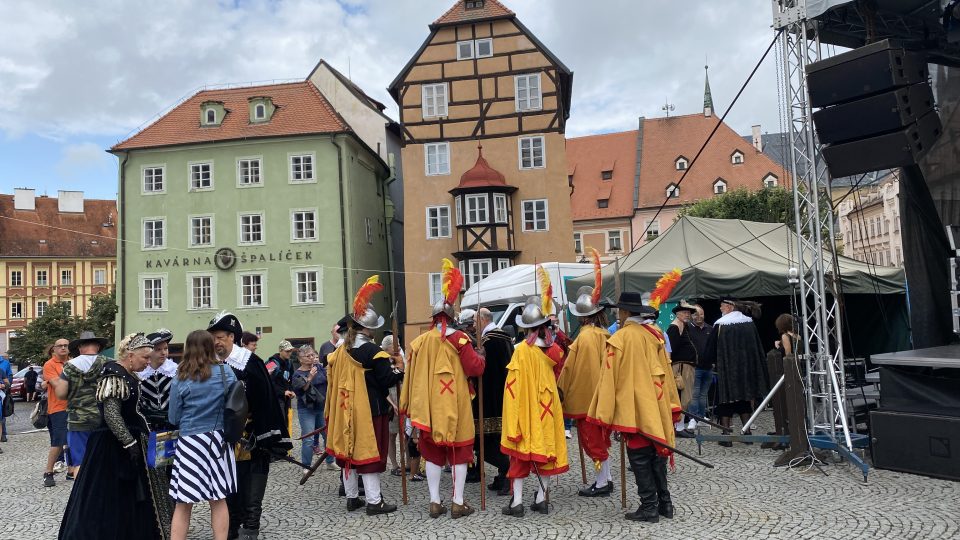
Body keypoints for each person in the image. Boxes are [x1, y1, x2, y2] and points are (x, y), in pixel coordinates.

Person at [58, 333, 172, 540]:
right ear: (130, 355)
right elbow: (111, 414)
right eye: (144, 358)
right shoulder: (114, 375)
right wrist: (128, 442)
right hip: (113, 445)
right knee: (110, 495)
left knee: (130, 495)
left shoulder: (127, 374)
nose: (148, 362)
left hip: (129, 440)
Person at [587, 292, 681, 523]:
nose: (618, 314)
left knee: (639, 455)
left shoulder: (621, 338)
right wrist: (670, 402)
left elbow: (609, 378)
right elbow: (666, 371)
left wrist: (604, 412)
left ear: (625, 312)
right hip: (655, 403)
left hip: (634, 408)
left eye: (620, 310)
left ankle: (649, 508)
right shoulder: (655, 335)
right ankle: (665, 504)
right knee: (656, 452)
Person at [401, 267, 485, 519]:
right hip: (456, 405)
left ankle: (435, 502)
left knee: (434, 454)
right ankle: (458, 502)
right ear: (452, 316)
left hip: (429, 407)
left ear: (434, 318)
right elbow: (475, 368)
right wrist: (481, 355)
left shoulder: (420, 342)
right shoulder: (460, 339)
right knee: (459, 451)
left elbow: (411, 375)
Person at [208, 311, 291, 540]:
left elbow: (266, 401)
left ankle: (251, 526)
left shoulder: (250, 363)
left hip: (250, 438)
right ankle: (231, 527)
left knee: (251, 484)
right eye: (213, 337)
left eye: (220, 337)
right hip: (221, 438)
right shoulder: (211, 364)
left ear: (232, 337)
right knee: (226, 488)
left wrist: (266, 436)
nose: (216, 342)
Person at [325, 276, 403, 516]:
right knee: (370, 455)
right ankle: (373, 501)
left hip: (344, 408)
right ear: (369, 328)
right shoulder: (372, 350)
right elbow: (386, 380)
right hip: (370, 409)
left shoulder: (341, 350)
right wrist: (399, 369)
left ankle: (352, 498)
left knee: (348, 452)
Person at [500, 289, 568, 517]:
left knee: (521, 455)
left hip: (528, 410)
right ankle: (541, 498)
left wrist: (512, 419)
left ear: (527, 327)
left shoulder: (522, 352)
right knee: (546, 451)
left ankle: (517, 503)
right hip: (547, 409)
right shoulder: (554, 350)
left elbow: (513, 387)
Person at [168, 330, 238, 540]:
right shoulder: (226, 372)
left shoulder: (180, 377)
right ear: (211, 346)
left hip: (190, 442)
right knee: (218, 498)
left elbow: (173, 417)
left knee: (183, 502)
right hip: (218, 440)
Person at [558, 284, 613, 498]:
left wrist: (561, 389)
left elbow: (571, 367)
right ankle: (605, 478)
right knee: (600, 439)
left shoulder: (586, 337)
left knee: (593, 443)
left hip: (587, 398)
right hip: (602, 397)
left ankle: (602, 483)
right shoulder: (604, 334)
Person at [704, 298, 769, 446]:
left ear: (729, 307)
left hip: (727, 369)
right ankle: (747, 432)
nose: (720, 309)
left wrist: (709, 361)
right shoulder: (748, 323)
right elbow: (755, 347)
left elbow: (710, 348)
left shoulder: (721, 325)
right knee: (744, 399)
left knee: (726, 399)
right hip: (745, 370)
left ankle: (726, 434)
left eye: (722, 307)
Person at [49, 331, 110, 478]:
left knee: (79, 463)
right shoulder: (110, 363)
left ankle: (81, 498)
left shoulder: (70, 365)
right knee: (105, 462)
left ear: (81, 347)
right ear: (97, 346)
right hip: (104, 420)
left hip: (78, 421)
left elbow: (61, 394)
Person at [474, 307, 513, 496]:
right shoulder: (505, 337)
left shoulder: (489, 341)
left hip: (490, 397)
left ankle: (507, 469)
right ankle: (502, 475)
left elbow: (481, 371)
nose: (473, 326)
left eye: (475, 322)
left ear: (483, 320)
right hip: (505, 395)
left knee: (486, 441)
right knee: (499, 438)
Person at [291, 345, 335, 473]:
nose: (311, 358)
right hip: (307, 410)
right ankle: (306, 466)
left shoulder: (319, 368)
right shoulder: (297, 374)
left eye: (312, 355)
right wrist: (309, 378)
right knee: (308, 438)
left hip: (322, 407)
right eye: (308, 356)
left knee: (328, 435)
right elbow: (302, 390)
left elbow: (327, 380)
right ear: (300, 359)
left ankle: (330, 462)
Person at [41, 338, 71, 487]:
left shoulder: (72, 362)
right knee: (58, 441)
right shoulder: (49, 365)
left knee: (74, 439)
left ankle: (72, 470)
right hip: (58, 407)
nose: (63, 348)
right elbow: (57, 384)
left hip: (75, 406)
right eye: (60, 346)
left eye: (66, 346)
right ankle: (48, 472)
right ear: (54, 349)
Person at [666, 301, 698, 436]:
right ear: (678, 314)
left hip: (685, 366)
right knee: (682, 397)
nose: (688, 315)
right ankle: (678, 428)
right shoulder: (674, 327)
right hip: (680, 367)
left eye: (689, 313)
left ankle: (679, 427)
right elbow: (670, 349)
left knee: (685, 397)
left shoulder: (683, 326)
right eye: (685, 313)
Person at [139, 329, 178, 431]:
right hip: (148, 425)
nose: (163, 352)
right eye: (158, 349)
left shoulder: (175, 370)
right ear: (149, 352)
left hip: (172, 424)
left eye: (165, 348)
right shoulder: (141, 373)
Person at [381, 335, 405, 477]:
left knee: (406, 434)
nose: (399, 347)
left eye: (399, 344)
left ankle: (408, 463)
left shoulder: (401, 358)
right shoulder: (382, 360)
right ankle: (394, 465)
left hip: (402, 396)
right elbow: (385, 381)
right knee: (392, 435)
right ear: (387, 347)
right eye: (395, 345)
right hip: (390, 399)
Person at [265, 340, 296, 442]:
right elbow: (267, 381)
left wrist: (292, 390)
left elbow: (291, 379)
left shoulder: (289, 363)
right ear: (280, 351)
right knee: (278, 422)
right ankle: (276, 448)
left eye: (290, 351)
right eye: (287, 351)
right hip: (276, 398)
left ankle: (283, 448)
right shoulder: (272, 363)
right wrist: (282, 392)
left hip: (286, 398)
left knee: (286, 422)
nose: (289, 353)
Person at [688, 304, 714, 422]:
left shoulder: (710, 328)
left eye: (701, 314)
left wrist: (714, 361)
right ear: (691, 315)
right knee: (695, 394)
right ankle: (693, 418)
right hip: (694, 367)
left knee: (703, 395)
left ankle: (701, 416)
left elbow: (714, 347)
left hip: (708, 367)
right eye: (696, 314)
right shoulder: (687, 328)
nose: (699, 317)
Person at [0, 353, 11, 444]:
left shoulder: (3, 366)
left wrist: (3, 386)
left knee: (0, 419)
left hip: (0, 396)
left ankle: (3, 435)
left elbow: (8, 381)